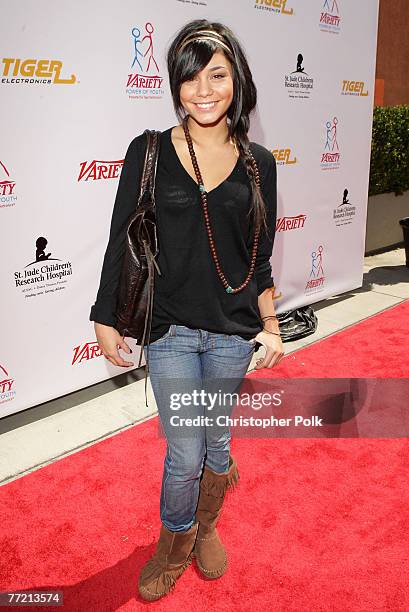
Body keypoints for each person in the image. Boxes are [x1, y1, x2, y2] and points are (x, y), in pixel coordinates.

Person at [90, 19, 284, 602]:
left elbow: (260, 256)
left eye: (217, 74)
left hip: (233, 333)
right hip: (171, 329)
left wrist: (271, 325)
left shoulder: (260, 164)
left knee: (217, 444)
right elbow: (121, 236)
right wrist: (105, 315)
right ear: (175, 85)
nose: (204, 88)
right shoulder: (148, 151)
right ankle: (175, 540)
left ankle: (206, 525)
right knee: (185, 452)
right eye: (190, 76)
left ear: (237, 81)